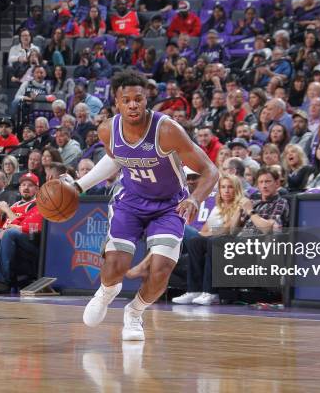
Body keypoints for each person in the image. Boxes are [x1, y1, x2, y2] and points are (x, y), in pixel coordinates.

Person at [72, 70, 219, 341]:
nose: (132, 105)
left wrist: (195, 198)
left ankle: (135, 313)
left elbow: (210, 169)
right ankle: (106, 292)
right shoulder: (107, 130)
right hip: (130, 201)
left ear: (146, 99)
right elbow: (116, 159)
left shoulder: (167, 130)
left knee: (161, 269)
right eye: (125, 100)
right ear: (116, 103)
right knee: (115, 265)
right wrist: (80, 185)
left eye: (138, 99)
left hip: (169, 204)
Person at [173, 175, 246, 305]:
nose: (226, 190)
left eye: (230, 187)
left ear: (237, 189)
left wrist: (211, 233)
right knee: (195, 241)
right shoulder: (218, 207)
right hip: (213, 239)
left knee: (212, 241)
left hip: (230, 243)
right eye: (223, 187)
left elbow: (230, 230)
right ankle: (194, 291)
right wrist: (210, 233)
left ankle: (211, 293)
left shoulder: (240, 206)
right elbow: (204, 230)